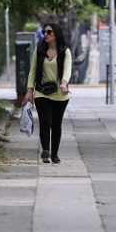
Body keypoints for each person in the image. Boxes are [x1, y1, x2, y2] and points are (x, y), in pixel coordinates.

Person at [25, 22, 72, 164]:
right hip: (41, 92)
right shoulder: (39, 51)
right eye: (45, 32)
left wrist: (64, 83)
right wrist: (29, 90)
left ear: (56, 34)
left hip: (60, 93)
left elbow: (67, 69)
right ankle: (45, 150)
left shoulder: (65, 51)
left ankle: (55, 154)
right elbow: (32, 71)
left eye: (49, 32)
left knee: (56, 124)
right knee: (45, 121)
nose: (45, 34)